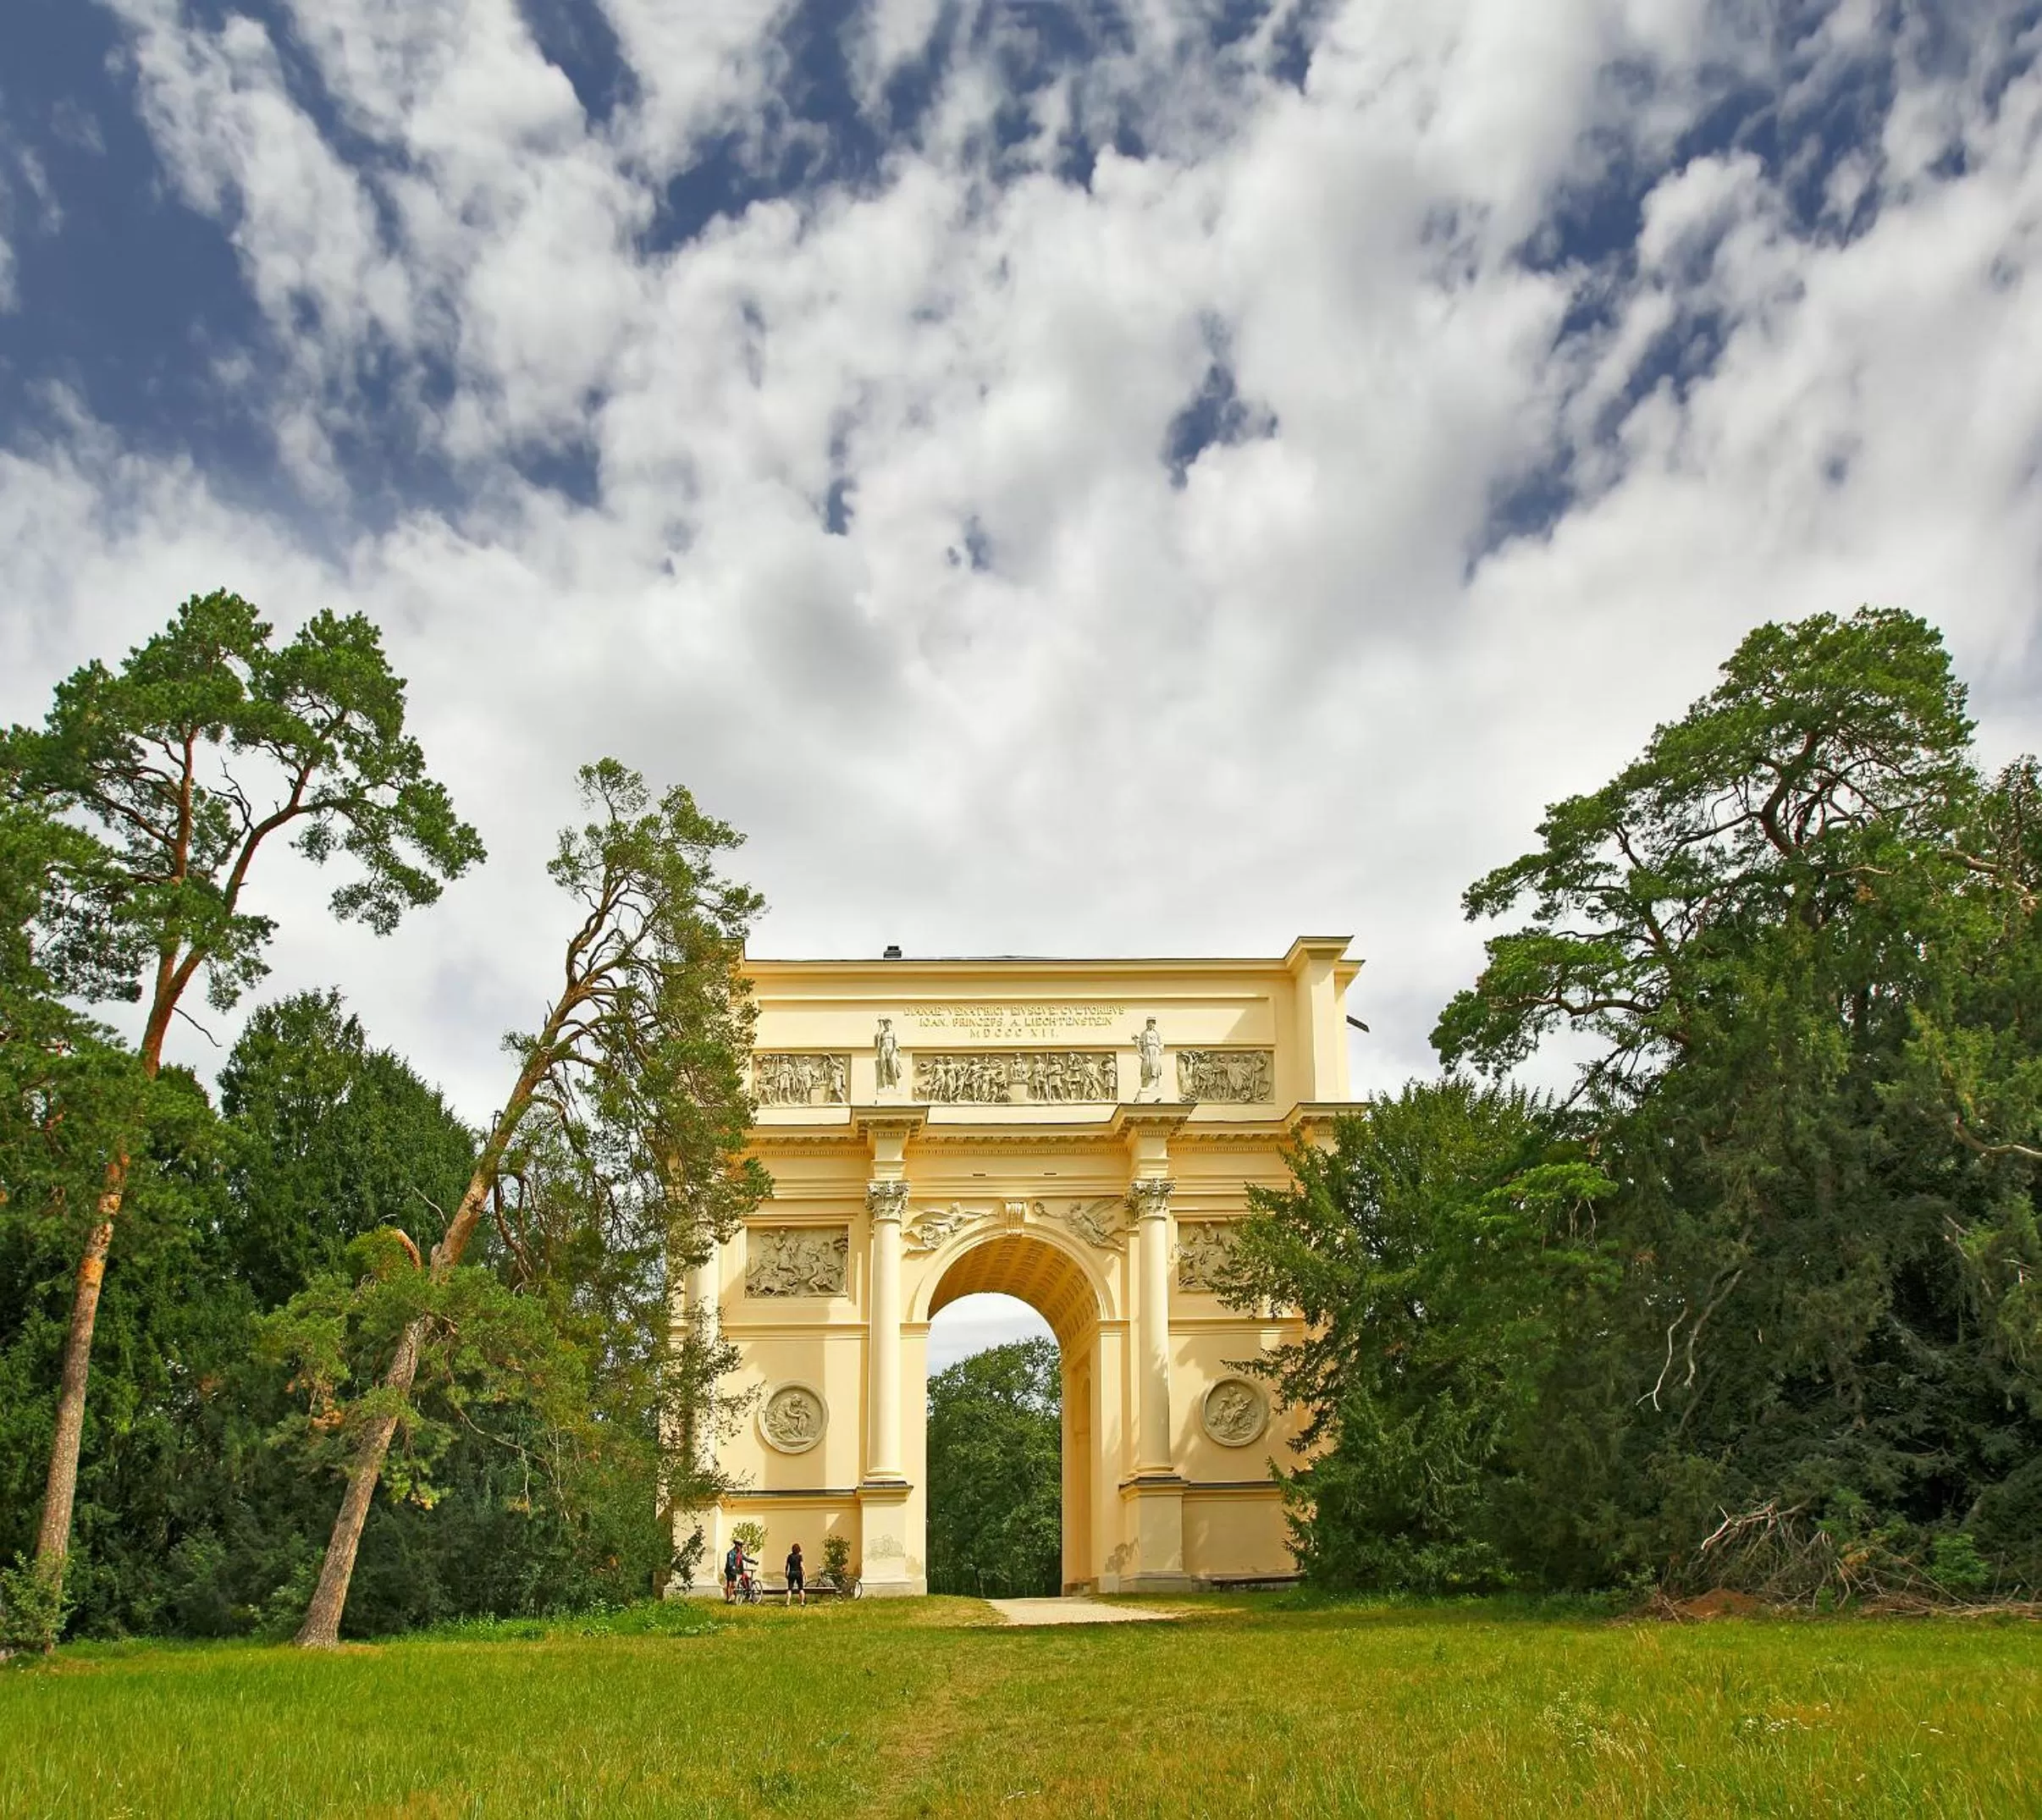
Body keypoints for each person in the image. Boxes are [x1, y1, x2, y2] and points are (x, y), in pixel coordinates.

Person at [723, 1538, 746, 1604]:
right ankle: (728, 1599)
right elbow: (730, 1562)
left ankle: (731, 1598)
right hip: (729, 1570)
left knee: (734, 1585)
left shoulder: (739, 1553)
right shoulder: (731, 1553)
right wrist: (733, 1566)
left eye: (741, 1545)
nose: (740, 1547)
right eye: (739, 1545)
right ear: (736, 1545)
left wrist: (752, 1561)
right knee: (729, 1584)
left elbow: (745, 1558)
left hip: (734, 1571)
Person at [785, 1541, 806, 1608]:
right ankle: (802, 1602)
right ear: (799, 1549)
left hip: (791, 1573)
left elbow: (787, 1566)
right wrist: (805, 1574)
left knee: (790, 1589)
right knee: (801, 1589)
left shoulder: (789, 1556)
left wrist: (786, 1573)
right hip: (798, 1573)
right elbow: (801, 1565)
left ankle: (788, 1602)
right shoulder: (800, 1556)